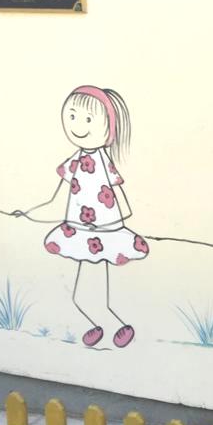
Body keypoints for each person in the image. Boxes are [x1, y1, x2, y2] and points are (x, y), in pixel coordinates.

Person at [18, 86, 147, 348]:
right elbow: (56, 196)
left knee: (100, 287)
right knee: (79, 292)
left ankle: (118, 325)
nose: (78, 125)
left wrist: (118, 224)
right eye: (73, 116)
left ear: (108, 129)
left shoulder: (102, 161)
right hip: (79, 230)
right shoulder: (75, 161)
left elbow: (119, 195)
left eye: (88, 119)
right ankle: (98, 326)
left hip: (104, 231)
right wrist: (30, 213)